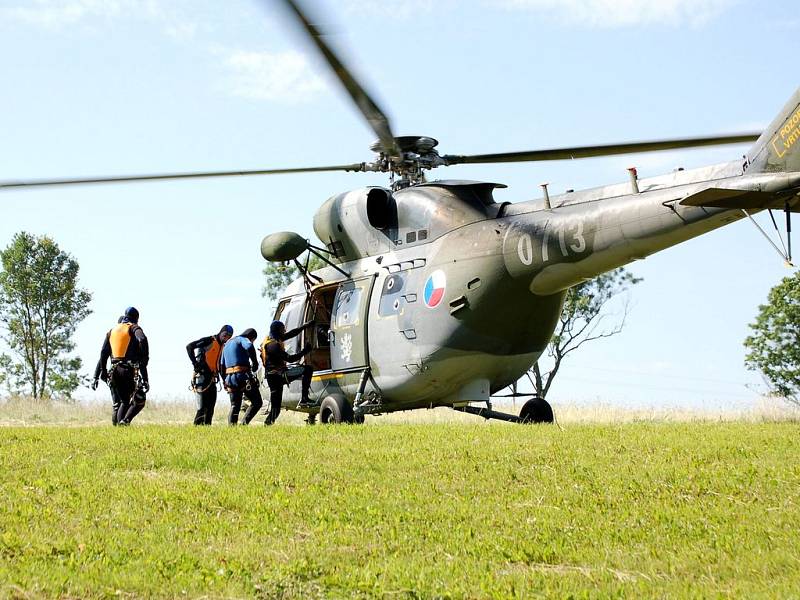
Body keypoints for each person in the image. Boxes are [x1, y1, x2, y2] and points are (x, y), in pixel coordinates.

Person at [92, 306, 149, 426]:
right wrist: (144, 357)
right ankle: (125, 421)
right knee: (139, 399)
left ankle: (120, 427)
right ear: (136, 318)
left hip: (114, 371)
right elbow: (142, 339)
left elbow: (103, 353)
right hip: (127, 370)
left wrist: (103, 372)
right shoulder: (133, 328)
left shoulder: (111, 331)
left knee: (123, 402)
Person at [261, 320, 315, 425]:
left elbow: (291, 334)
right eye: (282, 329)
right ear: (278, 330)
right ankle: (304, 399)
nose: (284, 331)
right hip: (278, 376)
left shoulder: (272, 340)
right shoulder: (273, 345)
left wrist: (304, 327)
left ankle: (267, 424)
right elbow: (290, 359)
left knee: (276, 409)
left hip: (275, 376)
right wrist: (305, 351)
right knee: (308, 369)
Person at [185, 324, 233, 425]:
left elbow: (220, 366)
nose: (226, 338)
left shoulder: (223, 346)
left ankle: (206, 431)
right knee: (201, 408)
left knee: (210, 407)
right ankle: (196, 431)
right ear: (220, 332)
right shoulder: (209, 340)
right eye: (225, 335)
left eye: (229, 337)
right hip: (201, 378)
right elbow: (189, 347)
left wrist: (225, 381)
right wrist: (195, 364)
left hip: (212, 379)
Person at [219, 328, 262, 425]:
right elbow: (249, 346)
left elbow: (221, 365)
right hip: (242, 376)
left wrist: (224, 381)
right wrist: (255, 363)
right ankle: (243, 424)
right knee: (257, 402)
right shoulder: (242, 339)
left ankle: (232, 430)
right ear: (251, 337)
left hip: (230, 379)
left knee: (234, 406)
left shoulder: (227, 345)